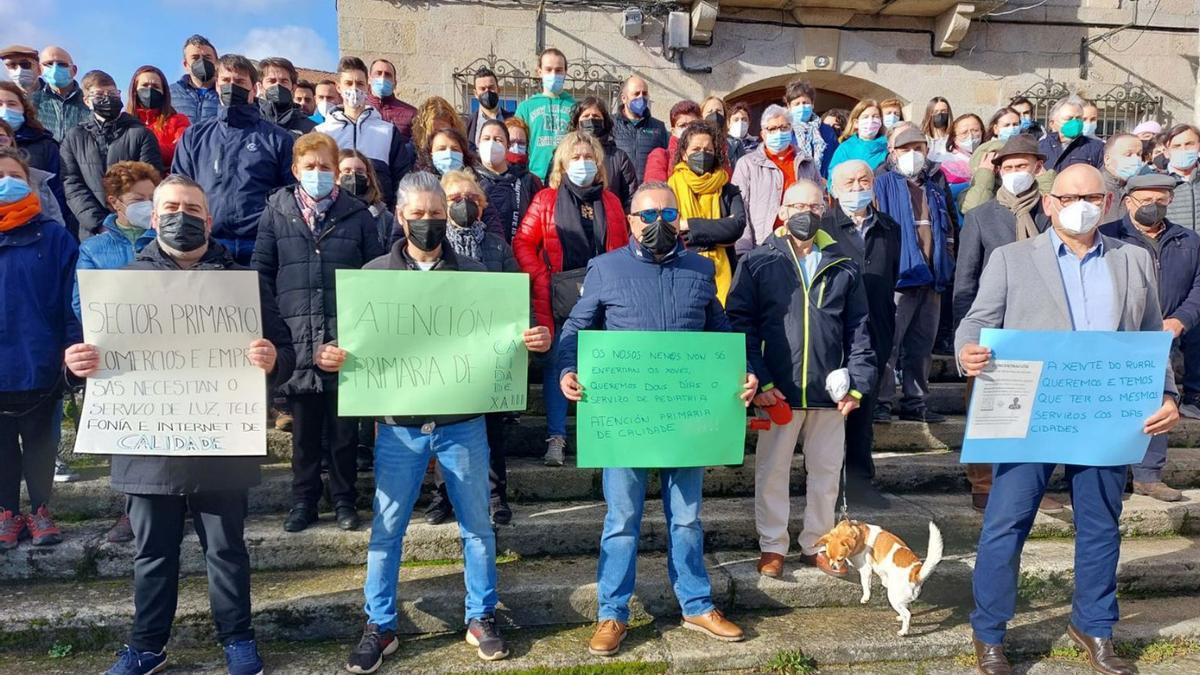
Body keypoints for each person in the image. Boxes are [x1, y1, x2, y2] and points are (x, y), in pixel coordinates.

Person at [316, 172, 549, 671]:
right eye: (418, 215)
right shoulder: (373, 276)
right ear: (400, 217)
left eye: (436, 214)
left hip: (462, 423)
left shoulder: (475, 277)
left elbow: (504, 342)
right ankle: (380, 624)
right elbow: (351, 344)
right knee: (388, 527)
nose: (428, 222)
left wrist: (532, 343)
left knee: (478, 526)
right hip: (399, 426)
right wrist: (332, 356)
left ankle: (481, 615)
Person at [956, 163, 1180, 675]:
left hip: (1103, 414)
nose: (1080, 204)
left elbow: (1148, 337)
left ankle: (1095, 626)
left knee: (1102, 526)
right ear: (1050, 202)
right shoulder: (1013, 259)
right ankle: (989, 632)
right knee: (1006, 524)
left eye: (1091, 196)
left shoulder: (1134, 259)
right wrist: (967, 348)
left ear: (1106, 203)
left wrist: (1166, 394)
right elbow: (977, 320)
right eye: (1068, 196)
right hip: (1030, 413)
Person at [65, 174, 292, 675]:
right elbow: (95, 359)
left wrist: (273, 358)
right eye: (170, 207)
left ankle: (237, 638)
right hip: (149, 445)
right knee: (152, 553)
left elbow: (288, 355)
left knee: (227, 550)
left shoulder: (246, 285)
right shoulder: (120, 286)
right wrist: (75, 364)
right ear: (153, 214)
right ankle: (146, 646)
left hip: (221, 439)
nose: (180, 216)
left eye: (192, 209)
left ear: (208, 219)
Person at [558, 181, 756, 657]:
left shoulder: (699, 268)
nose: (658, 224)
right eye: (648, 216)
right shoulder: (605, 269)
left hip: (685, 418)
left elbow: (720, 329)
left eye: (668, 215)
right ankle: (613, 612)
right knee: (622, 518)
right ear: (631, 220)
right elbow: (575, 327)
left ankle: (696, 604)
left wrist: (743, 372)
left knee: (686, 519)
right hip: (626, 419)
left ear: (679, 219)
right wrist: (568, 369)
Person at [726, 178, 875, 579]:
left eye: (811, 207)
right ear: (781, 212)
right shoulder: (758, 262)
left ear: (823, 210)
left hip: (830, 393)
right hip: (780, 390)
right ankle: (773, 546)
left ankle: (817, 544)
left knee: (826, 475)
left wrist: (858, 382)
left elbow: (859, 328)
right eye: (795, 207)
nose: (803, 215)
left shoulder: (843, 263)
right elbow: (741, 325)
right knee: (772, 472)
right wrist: (761, 379)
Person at [251, 132, 382, 534]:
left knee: (344, 433)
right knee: (305, 434)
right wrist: (275, 332)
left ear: (337, 171)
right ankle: (303, 500)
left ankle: (344, 499)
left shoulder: (358, 215)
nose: (318, 173)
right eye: (310, 167)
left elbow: (373, 276)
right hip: (294, 338)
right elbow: (261, 273)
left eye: (325, 167)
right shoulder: (276, 212)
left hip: (345, 341)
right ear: (295, 170)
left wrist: (355, 335)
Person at [513, 131, 629, 467]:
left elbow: (621, 248)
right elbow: (523, 243)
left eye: (588, 157)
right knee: (557, 365)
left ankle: (602, 433)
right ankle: (556, 437)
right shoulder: (546, 200)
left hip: (602, 294)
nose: (583, 163)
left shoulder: (610, 202)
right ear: (563, 163)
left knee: (604, 365)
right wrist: (543, 275)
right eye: (575, 158)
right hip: (559, 295)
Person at [952, 135, 1051, 512]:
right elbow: (966, 279)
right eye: (1008, 168)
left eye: (1022, 166)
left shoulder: (1051, 212)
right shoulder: (981, 216)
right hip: (993, 329)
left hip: (1042, 327)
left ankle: (1032, 485)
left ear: (1038, 168)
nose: (1015, 174)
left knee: (1035, 412)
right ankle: (983, 481)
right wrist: (965, 334)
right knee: (985, 410)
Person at [423, 170, 523, 527]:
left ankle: (496, 497)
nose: (464, 204)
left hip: (486, 354)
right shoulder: (433, 248)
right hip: (444, 354)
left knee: (491, 428)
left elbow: (514, 293)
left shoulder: (497, 246)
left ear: (481, 206)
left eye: (471, 199)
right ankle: (443, 496)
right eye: (454, 199)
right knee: (445, 426)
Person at [70, 160, 161, 544]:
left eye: (152, 198)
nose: (147, 205)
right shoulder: (94, 249)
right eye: (138, 199)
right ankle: (132, 508)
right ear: (115, 202)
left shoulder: (165, 240)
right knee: (129, 436)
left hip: (167, 354)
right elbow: (82, 303)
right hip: (120, 358)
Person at [1099, 174, 1197, 499]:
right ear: (1128, 202)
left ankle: (1148, 475)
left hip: (1163, 332)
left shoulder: (1189, 240)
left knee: (1158, 398)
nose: (1153, 207)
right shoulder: (1107, 236)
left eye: (1160, 200)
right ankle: (1104, 471)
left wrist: (1181, 319)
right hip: (1116, 330)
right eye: (1145, 201)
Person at [0, 146, 78, 552]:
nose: (5, 183)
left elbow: (71, 299)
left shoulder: (54, 235)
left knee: (41, 443)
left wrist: (69, 347)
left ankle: (41, 508)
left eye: (13, 175)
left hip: (40, 360)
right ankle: (6, 513)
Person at [820, 160, 901, 508]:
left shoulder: (889, 227)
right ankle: (827, 484)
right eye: (849, 182)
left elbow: (892, 275)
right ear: (834, 190)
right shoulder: (823, 227)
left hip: (877, 326)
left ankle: (859, 483)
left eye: (863, 180)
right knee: (833, 411)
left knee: (864, 406)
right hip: (835, 328)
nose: (857, 188)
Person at [172, 53, 296, 266]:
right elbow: (179, 187)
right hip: (208, 243)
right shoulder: (195, 136)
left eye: (239, 82)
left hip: (260, 243)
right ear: (217, 86)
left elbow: (289, 193)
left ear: (254, 88)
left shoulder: (278, 138)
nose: (232, 86)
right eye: (226, 81)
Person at [874, 126, 955, 424]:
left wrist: (947, 257)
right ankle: (881, 403)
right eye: (905, 149)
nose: (912, 155)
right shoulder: (881, 183)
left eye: (918, 148)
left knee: (922, 346)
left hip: (932, 275)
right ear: (892, 153)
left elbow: (948, 225)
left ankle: (916, 402)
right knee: (889, 344)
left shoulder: (935, 183)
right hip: (898, 276)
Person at [61, 70, 164, 239]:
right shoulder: (74, 137)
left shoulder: (141, 134)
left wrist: (125, 218)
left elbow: (151, 179)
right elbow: (72, 184)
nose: (107, 98)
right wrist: (98, 224)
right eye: (99, 94)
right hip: (91, 231)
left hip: (135, 227)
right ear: (87, 101)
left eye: (112, 93)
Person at [316, 57, 413, 213]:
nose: (354, 89)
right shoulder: (322, 132)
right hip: (334, 216)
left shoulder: (387, 131)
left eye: (360, 84)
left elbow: (401, 179)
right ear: (339, 87)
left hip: (379, 216)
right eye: (348, 83)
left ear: (367, 88)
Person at [666, 120, 745, 304]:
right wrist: (719, 229)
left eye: (708, 150)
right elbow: (669, 228)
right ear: (684, 154)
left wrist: (688, 225)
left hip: (723, 271)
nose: (702, 154)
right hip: (681, 269)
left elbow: (736, 226)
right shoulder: (669, 188)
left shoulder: (728, 189)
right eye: (696, 149)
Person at [732, 104, 822, 255]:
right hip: (762, 246)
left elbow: (820, 202)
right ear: (763, 134)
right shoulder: (747, 164)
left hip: (802, 245)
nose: (778, 132)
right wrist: (744, 249)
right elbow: (740, 209)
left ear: (791, 129)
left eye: (784, 127)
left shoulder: (806, 162)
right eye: (772, 129)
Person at [961, 107, 1055, 214]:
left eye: (1015, 124)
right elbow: (973, 210)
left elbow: (1051, 206)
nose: (1014, 171)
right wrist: (985, 176)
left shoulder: (1031, 183)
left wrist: (1043, 177)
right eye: (1007, 167)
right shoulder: (986, 154)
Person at [475, 118, 542, 243]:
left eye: (498, 140)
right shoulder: (469, 179)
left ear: (507, 146)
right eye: (486, 138)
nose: (491, 144)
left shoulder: (528, 181)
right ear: (478, 143)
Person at [515, 48, 576, 181]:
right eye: (548, 69)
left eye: (559, 70)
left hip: (567, 178)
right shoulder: (526, 107)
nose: (553, 74)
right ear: (540, 72)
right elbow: (516, 145)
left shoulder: (575, 106)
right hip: (535, 178)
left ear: (565, 72)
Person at [569, 96, 638, 211]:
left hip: (610, 219)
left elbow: (630, 196)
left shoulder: (619, 157)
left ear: (604, 122)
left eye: (596, 116)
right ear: (577, 123)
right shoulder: (565, 154)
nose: (591, 119)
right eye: (586, 116)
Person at [0, 119, 63, 226]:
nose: (7, 179)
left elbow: (56, 226)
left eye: (1, 139)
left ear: (10, 141)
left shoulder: (38, 181)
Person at [126, 65, 191, 168]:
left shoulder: (179, 120)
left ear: (164, 92)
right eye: (145, 85)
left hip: (166, 181)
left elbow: (182, 150)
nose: (150, 90)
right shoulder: (123, 121)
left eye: (156, 86)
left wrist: (143, 147)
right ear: (134, 90)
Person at [611, 74, 669, 183]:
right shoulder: (610, 124)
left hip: (647, 193)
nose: (641, 97)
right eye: (636, 94)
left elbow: (667, 160)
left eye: (645, 93)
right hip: (619, 193)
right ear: (624, 98)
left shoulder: (658, 127)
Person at [29, 46, 89, 143]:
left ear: (74, 70)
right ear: (39, 70)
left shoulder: (88, 101)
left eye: (62, 64)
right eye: (48, 64)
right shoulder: (32, 102)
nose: (55, 68)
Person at [339, 148, 397, 248]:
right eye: (347, 171)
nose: (353, 175)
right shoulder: (327, 215)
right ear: (336, 177)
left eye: (360, 172)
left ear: (368, 179)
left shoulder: (385, 218)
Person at [784, 79, 840, 178]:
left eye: (805, 103)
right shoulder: (785, 130)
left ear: (812, 104)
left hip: (823, 186)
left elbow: (836, 159)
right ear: (789, 106)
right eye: (797, 104)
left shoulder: (826, 130)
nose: (802, 107)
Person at [1039, 95, 1105, 171]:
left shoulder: (1098, 148)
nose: (1075, 122)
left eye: (1078, 118)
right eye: (1069, 119)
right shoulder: (1040, 147)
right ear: (1052, 123)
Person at [643, 100, 703, 183]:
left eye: (693, 124)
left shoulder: (710, 154)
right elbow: (655, 191)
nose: (689, 129)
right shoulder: (660, 156)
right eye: (682, 125)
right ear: (673, 131)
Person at [256, 57, 316, 136]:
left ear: (294, 88)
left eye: (284, 81)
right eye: (271, 81)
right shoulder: (249, 121)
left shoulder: (310, 128)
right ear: (260, 86)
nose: (277, 85)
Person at [169, 34, 220, 125]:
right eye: (195, 58)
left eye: (207, 57)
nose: (202, 61)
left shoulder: (226, 93)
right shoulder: (170, 94)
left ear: (216, 62)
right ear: (185, 65)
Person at [827, 99, 887, 172]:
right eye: (865, 117)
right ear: (856, 123)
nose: (871, 120)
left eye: (875, 116)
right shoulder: (846, 148)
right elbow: (834, 175)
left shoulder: (888, 146)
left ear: (881, 120)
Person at [365, 58, 418, 140]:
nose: (383, 78)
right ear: (369, 79)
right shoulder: (359, 109)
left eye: (388, 75)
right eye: (378, 73)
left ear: (395, 83)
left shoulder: (412, 114)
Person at [1100, 133, 1147, 223]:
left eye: (1139, 154)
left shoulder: (1139, 187)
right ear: (1107, 159)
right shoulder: (1095, 186)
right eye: (1128, 154)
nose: (1136, 159)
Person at [1164, 124, 1200, 231]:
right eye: (1176, 146)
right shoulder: (1158, 183)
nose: (1183, 149)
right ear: (1166, 152)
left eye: (1189, 144)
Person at [931, 113, 983, 187]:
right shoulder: (946, 161)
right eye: (964, 132)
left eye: (975, 130)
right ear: (954, 137)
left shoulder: (989, 155)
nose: (971, 135)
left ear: (982, 132)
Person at [463, 66, 509, 150]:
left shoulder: (512, 119)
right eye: (482, 89)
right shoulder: (466, 125)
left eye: (491, 88)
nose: (487, 92)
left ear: (498, 89)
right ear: (475, 93)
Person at [726, 101, 755, 168]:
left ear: (749, 123)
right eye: (736, 120)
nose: (740, 123)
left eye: (744, 119)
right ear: (728, 123)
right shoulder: (723, 144)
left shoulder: (756, 147)